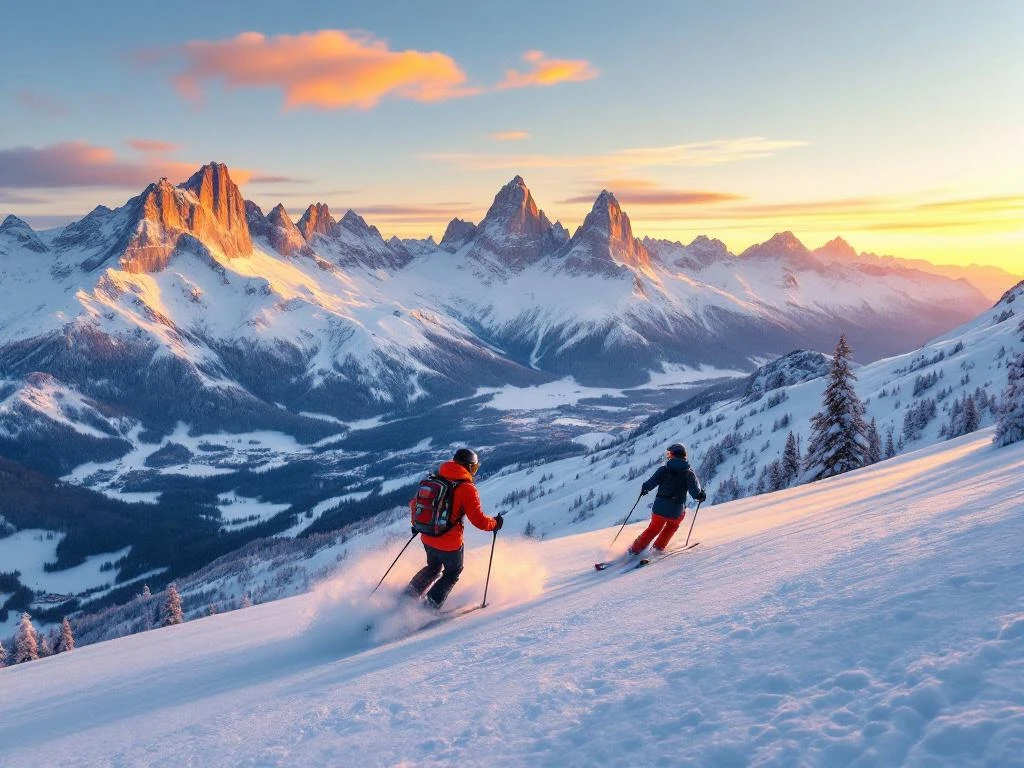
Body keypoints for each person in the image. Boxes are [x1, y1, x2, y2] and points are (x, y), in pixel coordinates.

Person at [405, 448, 503, 609]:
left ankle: (406, 598)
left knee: (432, 568)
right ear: (469, 467)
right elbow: (478, 521)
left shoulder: (435, 478)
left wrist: (417, 524)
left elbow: (415, 504)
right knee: (452, 573)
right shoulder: (467, 488)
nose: (474, 472)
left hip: (427, 536)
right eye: (474, 468)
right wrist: (495, 524)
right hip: (449, 543)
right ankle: (428, 608)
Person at [628, 443, 706, 557]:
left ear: (674, 454)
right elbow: (696, 494)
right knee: (671, 526)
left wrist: (645, 489)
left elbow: (650, 483)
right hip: (676, 510)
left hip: (659, 508)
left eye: (670, 454)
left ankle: (634, 550)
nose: (668, 456)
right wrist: (701, 495)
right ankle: (657, 548)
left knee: (653, 529)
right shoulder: (688, 474)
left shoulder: (663, 470)